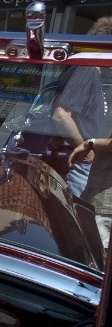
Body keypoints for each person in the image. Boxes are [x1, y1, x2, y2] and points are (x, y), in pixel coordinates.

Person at [51, 16, 112, 197]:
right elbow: (61, 116)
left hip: (90, 162)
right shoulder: (88, 69)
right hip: (84, 164)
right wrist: (88, 155)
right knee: (82, 220)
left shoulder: (96, 74)